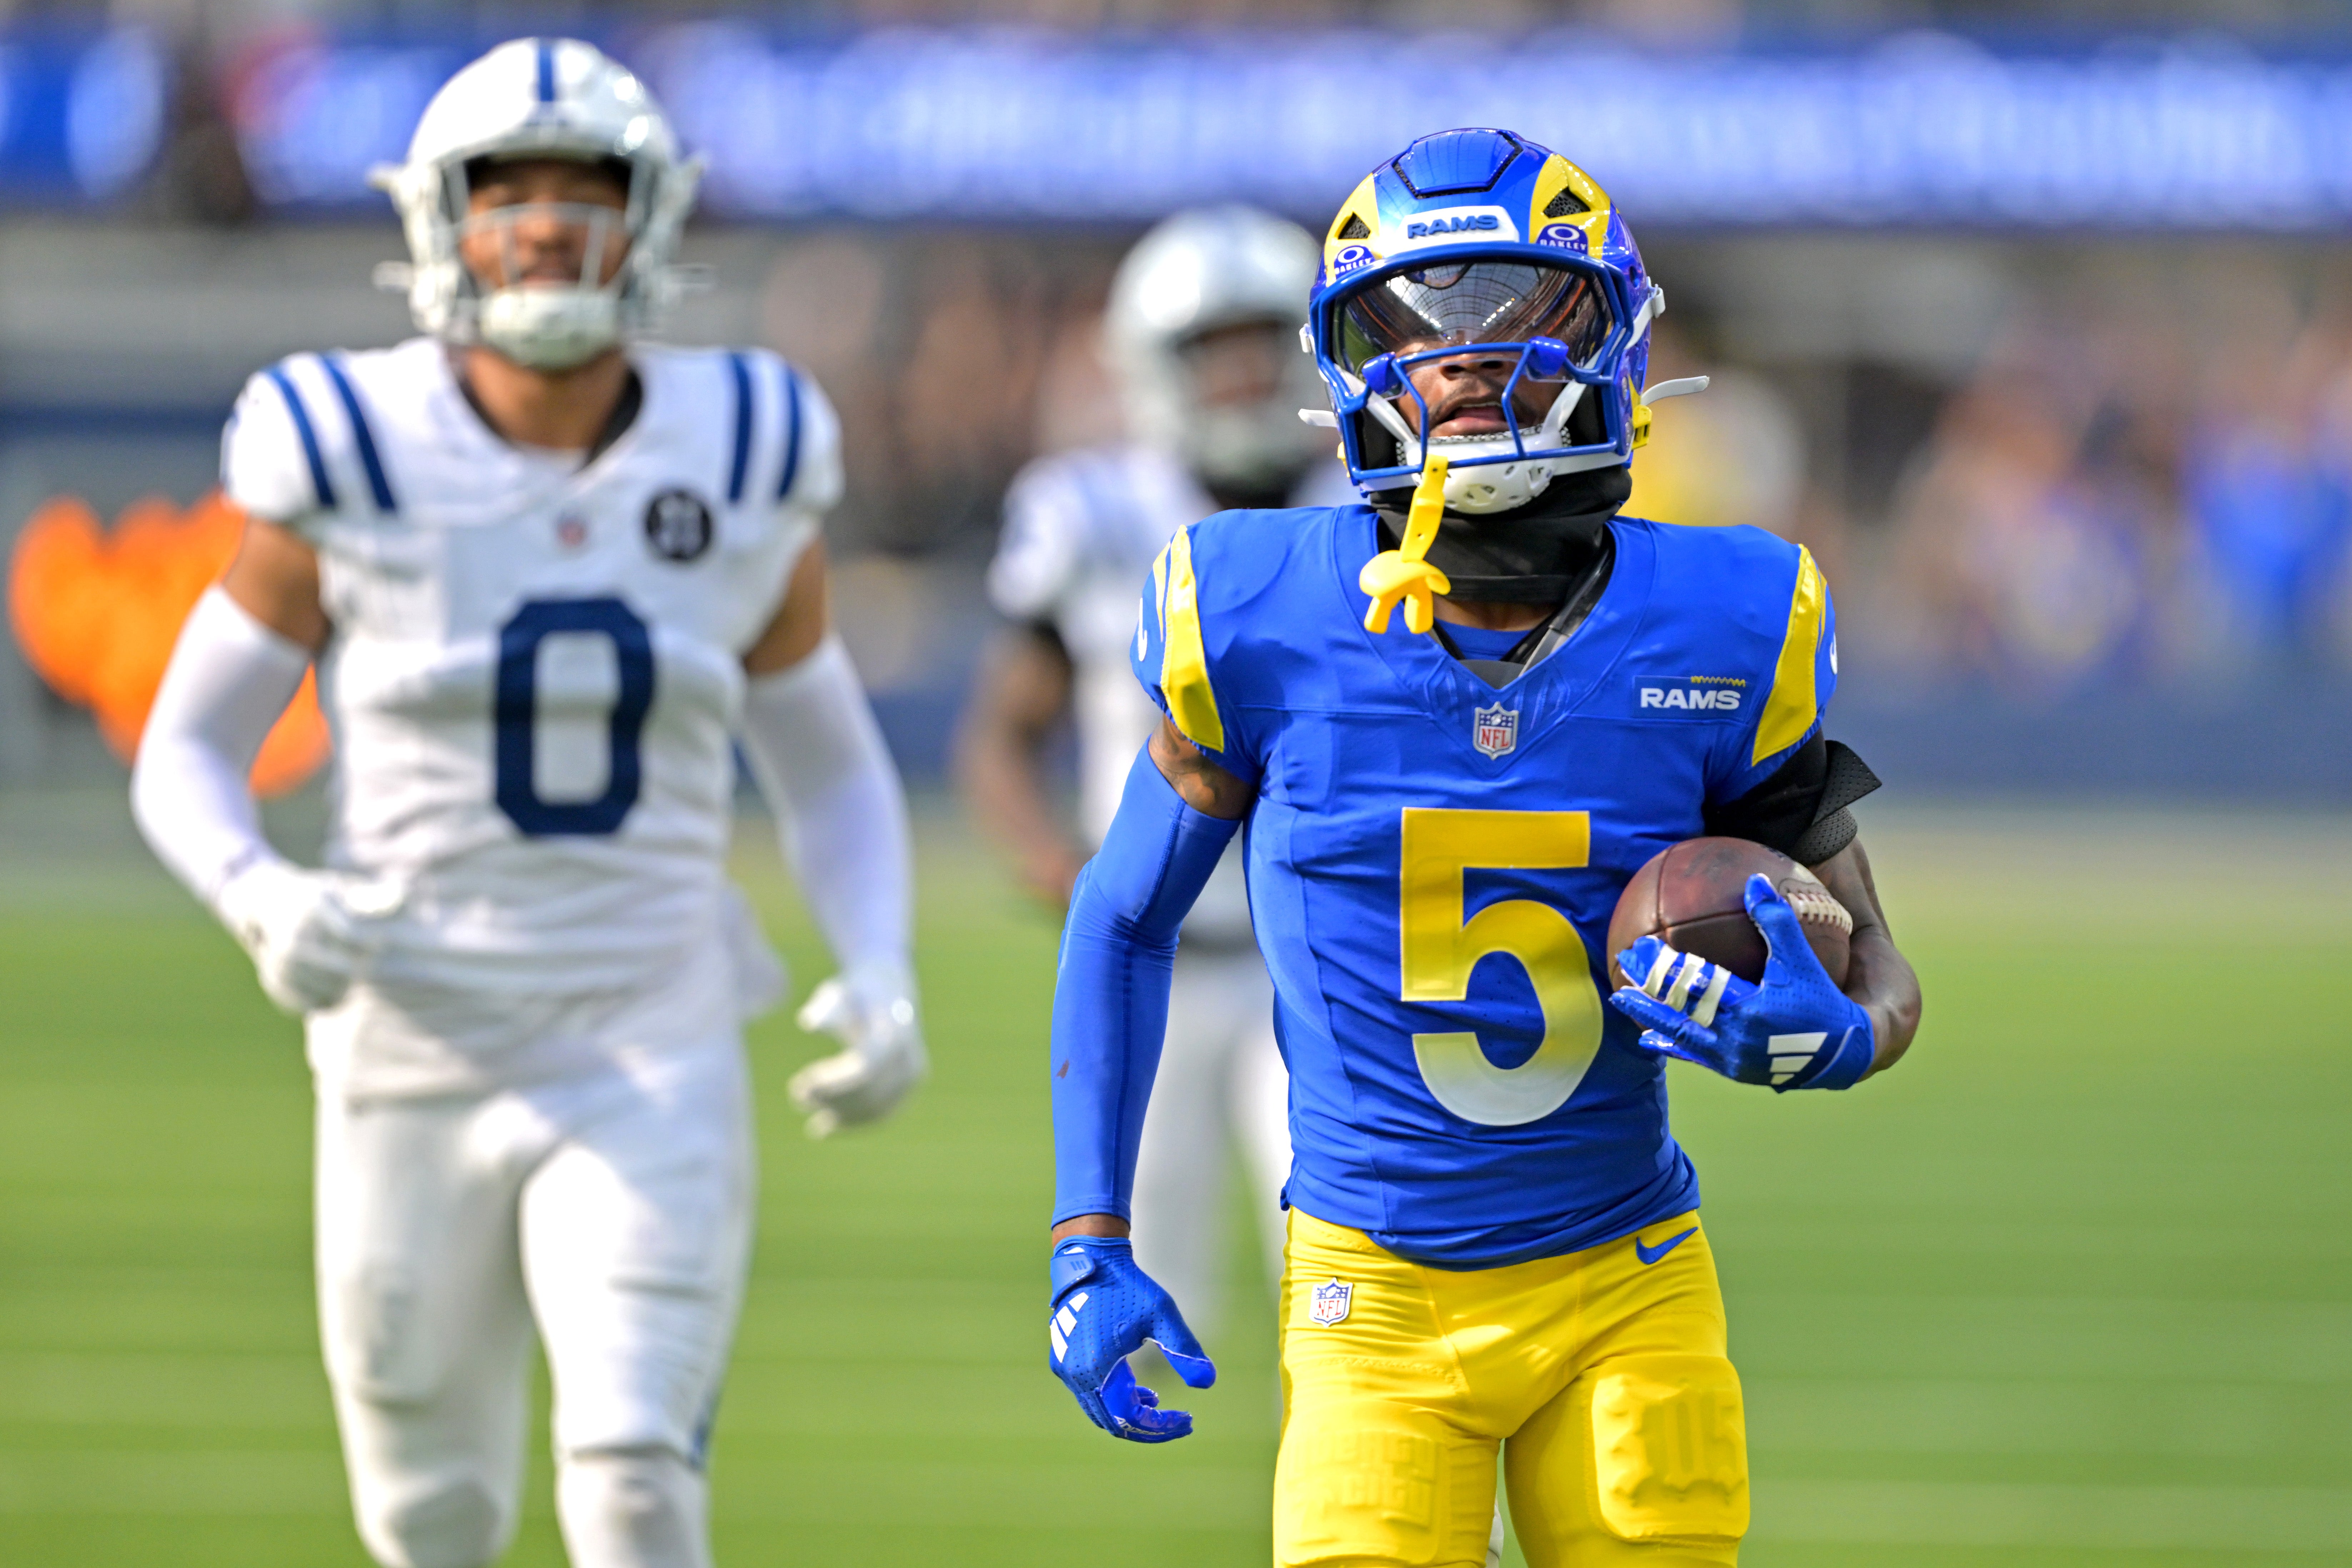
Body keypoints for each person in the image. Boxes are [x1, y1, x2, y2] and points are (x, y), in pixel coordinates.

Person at [1042, 128, 1922, 1568]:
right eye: (1413, 319)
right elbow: (1125, 919)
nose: (1459, 359)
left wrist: (1841, 1036)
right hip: (1371, 1298)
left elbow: (1881, 965)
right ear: (1349, 365)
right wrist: (1091, 1232)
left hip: (1630, 1283)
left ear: (1618, 337)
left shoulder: (1731, 619)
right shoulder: (1256, 606)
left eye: (1514, 306)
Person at [130, 38, 923, 1568]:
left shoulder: (746, 446)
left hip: (647, 1031)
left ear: (654, 219)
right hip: (409, 1042)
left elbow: (827, 760)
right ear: (442, 219)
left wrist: (879, 962)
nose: (549, 223)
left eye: (586, 188)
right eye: (511, 189)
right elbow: (186, 747)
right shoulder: (347, 445)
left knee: (631, 1473)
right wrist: (255, 890)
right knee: (431, 1519)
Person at [960, 206, 1347, 1342]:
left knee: (1342, 1286)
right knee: (1148, 1288)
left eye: (1257, 341)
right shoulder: (1090, 511)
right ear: (1148, 365)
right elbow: (1002, 725)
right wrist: (1051, 864)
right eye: (1206, 348)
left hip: (1321, 961)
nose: (1236, 372)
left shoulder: (1375, 515)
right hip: (1154, 964)